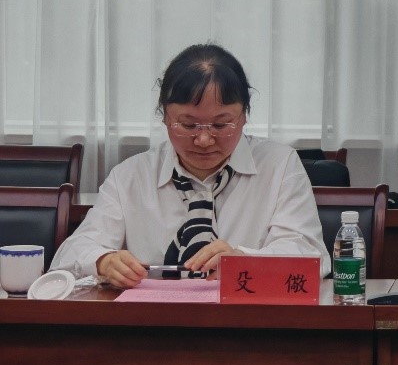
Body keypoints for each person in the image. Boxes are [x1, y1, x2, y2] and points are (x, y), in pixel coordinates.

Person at [51, 43, 330, 287]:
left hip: (248, 323)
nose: (204, 139)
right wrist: (103, 261)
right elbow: (69, 255)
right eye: (188, 125)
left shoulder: (279, 166)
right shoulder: (130, 176)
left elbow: (311, 256)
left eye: (221, 124)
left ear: (244, 116)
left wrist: (244, 261)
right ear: (164, 117)